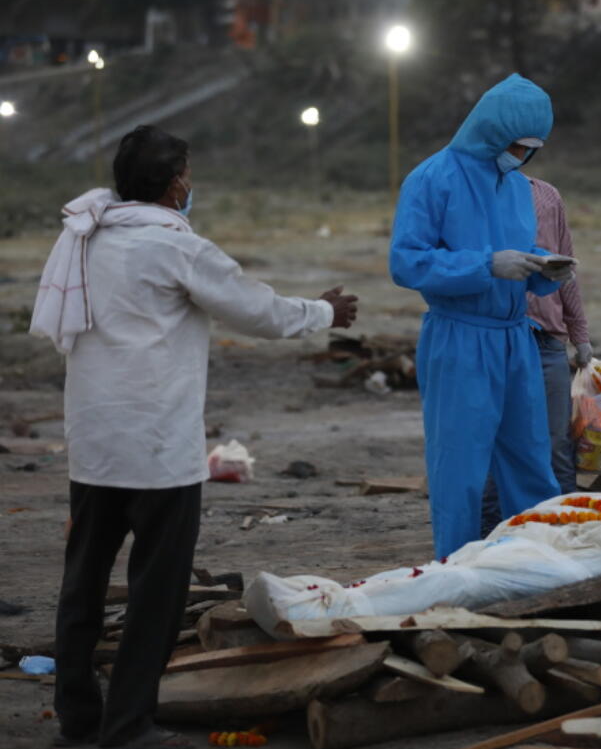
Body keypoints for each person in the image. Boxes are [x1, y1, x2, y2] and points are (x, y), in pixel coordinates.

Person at [30, 125, 358, 749]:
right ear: (177, 181)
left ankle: (79, 722)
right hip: (157, 454)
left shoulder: (87, 237)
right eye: (187, 172)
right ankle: (129, 727)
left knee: (83, 586)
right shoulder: (176, 247)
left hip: (96, 446)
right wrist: (323, 312)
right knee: (156, 595)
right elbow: (256, 310)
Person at [389, 74, 575, 558]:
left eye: (533, 149)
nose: (525, 157)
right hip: (460, 338)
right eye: (518, 146)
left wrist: (545, 270)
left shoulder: (516, 186)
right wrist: (484, 265)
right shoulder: (432, 179)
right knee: (461, 468)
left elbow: (519, 256)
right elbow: (406, 262)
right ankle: (456, 568)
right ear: (490, 132)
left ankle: (535, 561)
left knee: (530, 461)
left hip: (517, 338)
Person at [480, 175, 592, 537]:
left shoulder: (546, 194)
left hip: (547, 340)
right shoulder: (475, 191)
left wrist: (580, 334)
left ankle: (567, 526)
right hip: (496, 336)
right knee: (496, 440)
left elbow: (566, 268)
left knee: (556, 440)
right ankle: (489, 533)